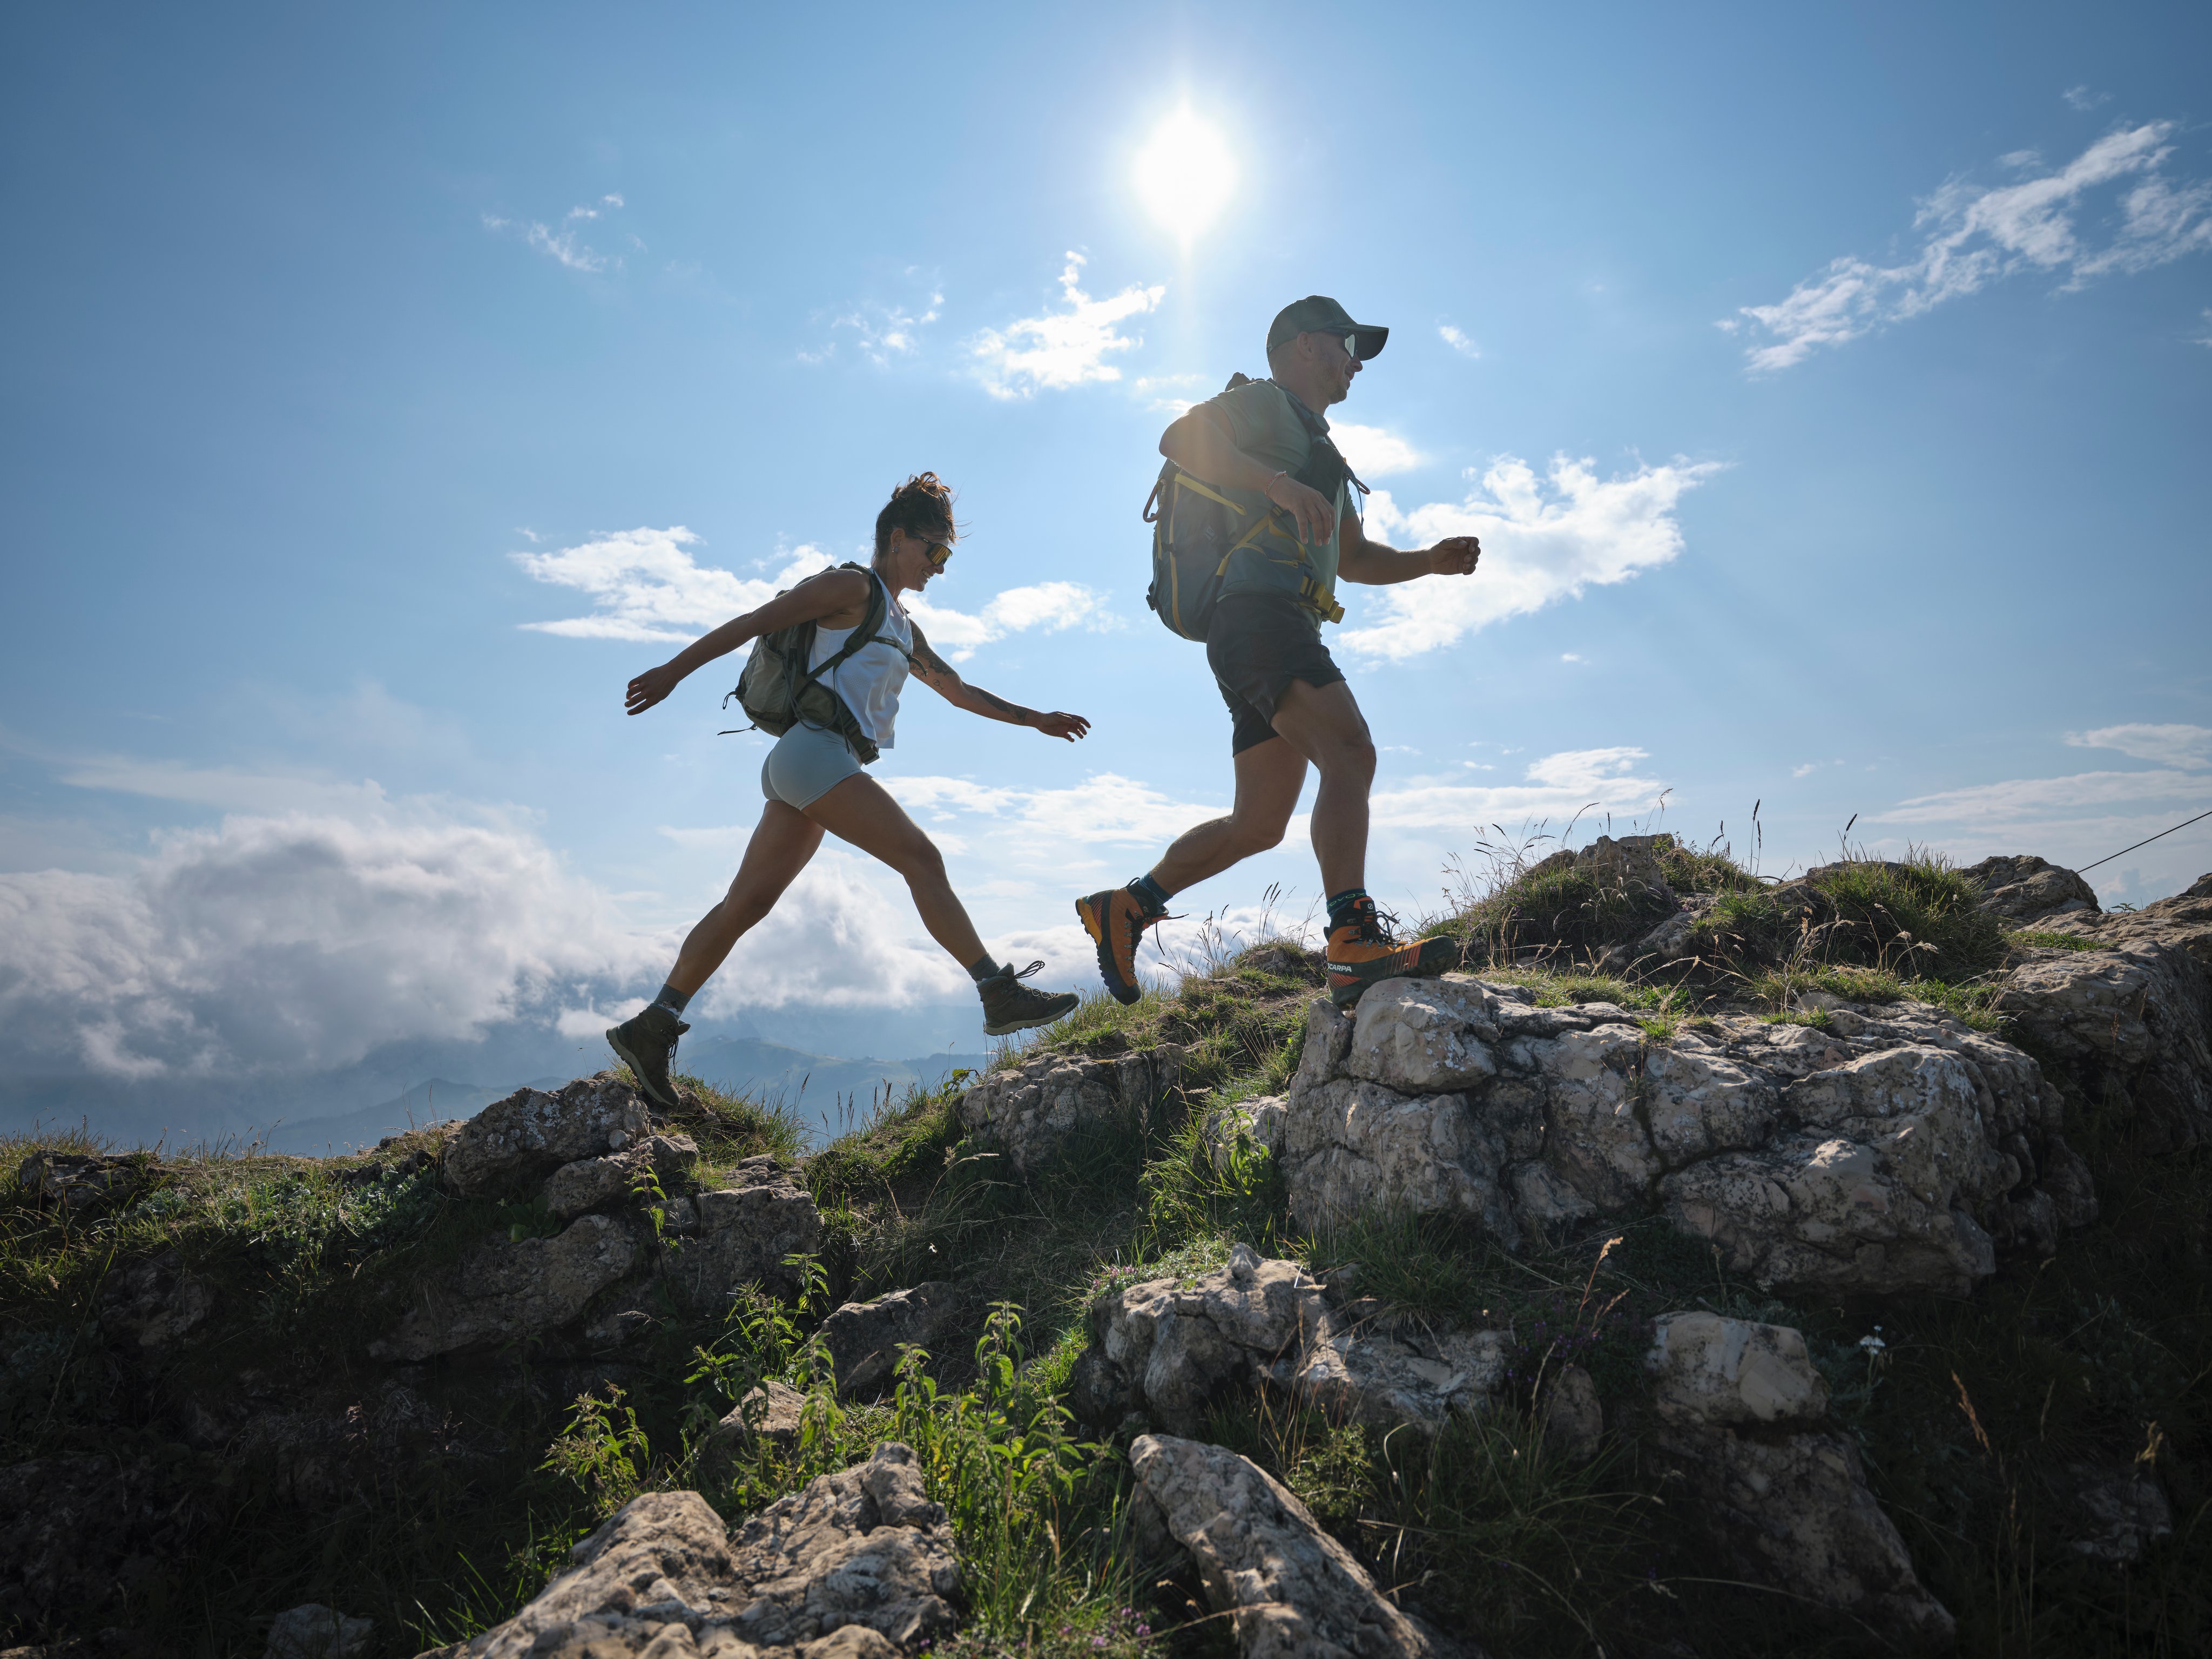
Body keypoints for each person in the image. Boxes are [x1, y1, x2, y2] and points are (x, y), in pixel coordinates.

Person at [608, 472, 1090, 1108]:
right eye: (935, 551)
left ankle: (653, 1026)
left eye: (948, 556)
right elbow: (756, 620)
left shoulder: (901, 625)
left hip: (810, 764)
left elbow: (955, 688)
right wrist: (674, 671)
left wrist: (1036, 719)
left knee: (744, 905)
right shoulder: (849, 588)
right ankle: (997, 993)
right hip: (815, 753)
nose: (940, 567)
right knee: (923, 860)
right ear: (898, 538)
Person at [1075, 296, 1485, 1009]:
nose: (1357, 360)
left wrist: (1428, 562)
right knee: (1350, 752)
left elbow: (1351, 557)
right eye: (1347, 342)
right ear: (1303, 347)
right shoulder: (1266, 405)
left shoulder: (1321, 449)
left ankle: (1128, 905)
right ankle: (1353, 943)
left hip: (1265, 625)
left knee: (1259, 824)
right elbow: (1179, 437)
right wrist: (1276, 484)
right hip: (1260, 616)